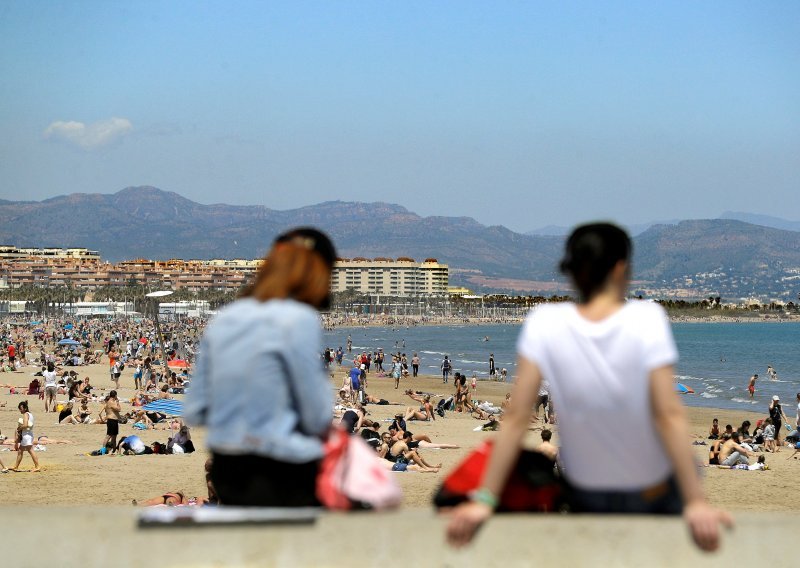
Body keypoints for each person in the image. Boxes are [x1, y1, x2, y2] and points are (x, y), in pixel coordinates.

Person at [446, 223, 732, 552]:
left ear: (572, 270)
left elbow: (516, 418)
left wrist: (485, 499)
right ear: (621, 267)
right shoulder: (647, 318)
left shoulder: (545, 321)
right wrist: (695, 502)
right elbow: (668, 414)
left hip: (584, 488)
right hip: (648, 488)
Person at [185, 227, 336, 507]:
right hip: (283, 472)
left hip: (226, 471)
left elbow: (195, 410)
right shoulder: (298, 319)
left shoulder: (225, 318)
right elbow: (318, 416)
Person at [11, 401, 40, 472]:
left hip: (27, 435)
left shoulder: (25, 414)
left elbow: (25, 425)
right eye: (19, 409)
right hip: (28, 434)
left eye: (21, 409)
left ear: (25, 408)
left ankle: (37, 466)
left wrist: (19, 428)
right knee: (20, 451)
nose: (20, 410)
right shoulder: (30, 414)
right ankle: (16, 466)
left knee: (30, 450)